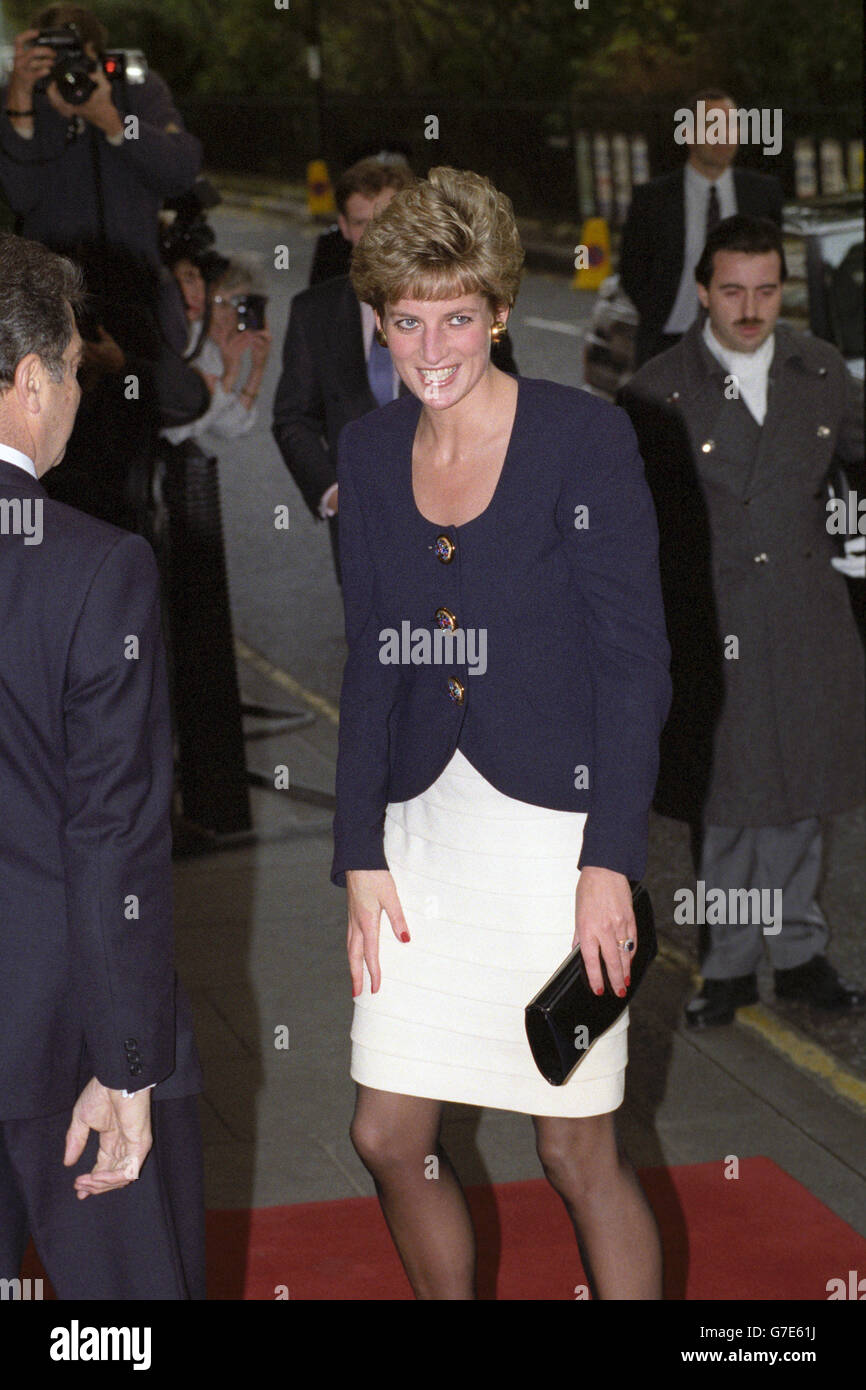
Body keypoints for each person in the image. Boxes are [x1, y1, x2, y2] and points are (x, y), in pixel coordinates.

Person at [331, 167, 672, 1300]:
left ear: (499, 312)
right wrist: (357, 854)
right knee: (385, 1132)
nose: (433, 348)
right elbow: (371, 656)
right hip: (421, 830)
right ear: (379, 319)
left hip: (557, 840)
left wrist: (608, 863)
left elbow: (636, 668)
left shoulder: (584, 440)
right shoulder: (371, 454)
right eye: (408, 319)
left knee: (572, 1145)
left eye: (458, 317)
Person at [0, 233, 204, 1298]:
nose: (81, 391)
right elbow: (112, 835)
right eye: (75, 368)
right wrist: (127, 1060)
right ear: (31, 380)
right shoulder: (96, 569)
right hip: (60, 1026)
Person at [619, 214, 865, 1029]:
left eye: (766, 289)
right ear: (701, 291)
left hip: (803, 613)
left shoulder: (820, 371)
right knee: (726, 802)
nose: (750, 307)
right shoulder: (655, 390)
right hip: (711, 618)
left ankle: (798, 953)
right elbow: (628, 528)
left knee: (800, 793)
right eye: (732, 290)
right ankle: (727, 964)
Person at [0, 4, 201, 354]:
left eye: (79, 58)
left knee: (135, 394)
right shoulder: (23, 98)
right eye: (54, 59)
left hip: (134, 290)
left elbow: (180, 170)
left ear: (100, 56)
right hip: (52, 298)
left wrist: (114, 122)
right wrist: (20, 106)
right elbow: (20, 196)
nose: (70, 71)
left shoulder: (133, 89)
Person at [272, 156, 416, 582]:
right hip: (363, 537)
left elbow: (503, 400)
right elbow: (292, 417)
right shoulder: (312, 312)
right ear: (345, 228)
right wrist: (334, 495)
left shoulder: (462, 303)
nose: (378, 237)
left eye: (389, 220)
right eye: (362, 224)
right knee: (379, 646)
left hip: (459, 522)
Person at [619, 89, 783, 367]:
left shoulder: (762, 194)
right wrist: (656, 312)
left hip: (743, 347)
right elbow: (632, 269)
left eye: (731, 125)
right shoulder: (653, 199)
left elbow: (774, 265)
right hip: (670, 344)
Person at [163, 253, 272, 447]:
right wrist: (229, 376)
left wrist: (257, 369)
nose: (228, 316)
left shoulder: (216, 348)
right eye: (221, 303)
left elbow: (228, 427)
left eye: (237, 306)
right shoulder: (184, 340)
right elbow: (176, 432)